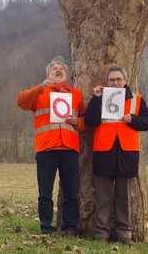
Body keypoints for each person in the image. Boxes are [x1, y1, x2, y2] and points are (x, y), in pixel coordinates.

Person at [16, 58, 87, 238]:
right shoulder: (39, 93)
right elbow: (20, 101)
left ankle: (70, 228)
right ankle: (46, 228)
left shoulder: (76, 95)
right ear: (48, 74)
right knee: (44, 193)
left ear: (66, 74)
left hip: (69, 150)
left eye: (61, 69)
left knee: (71, 192)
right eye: (54, 69)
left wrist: (77, 121)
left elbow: (86, 123)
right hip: (46, 150)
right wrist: (40, 87)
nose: (58, 70)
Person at [84, 66, 148, 246]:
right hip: (103, 153)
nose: (115, 82)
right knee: (102, 197)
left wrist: (133, 119)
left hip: (127, 154)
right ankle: (101, 234)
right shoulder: (99, 98)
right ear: (107, 82)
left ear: (125, 80)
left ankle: (124, 234)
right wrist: (95, 99)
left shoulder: (137, 100)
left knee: (124, 199)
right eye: (112, 80)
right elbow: (90, 121)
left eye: (118, 79)